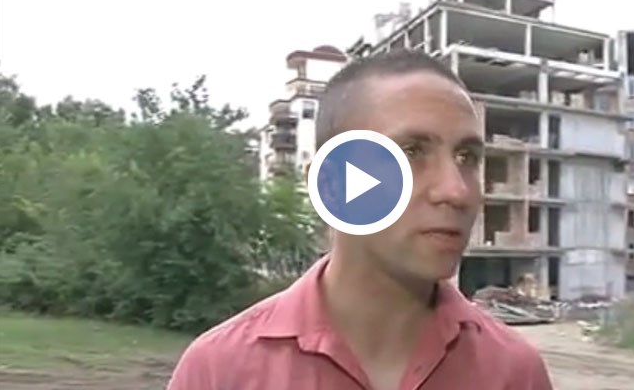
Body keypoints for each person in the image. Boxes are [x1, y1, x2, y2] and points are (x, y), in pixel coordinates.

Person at [166, 49, 554, 390]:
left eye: (467, 157)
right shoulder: (219, 371)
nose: (457, 191)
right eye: (411, 151)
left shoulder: (515, 373)